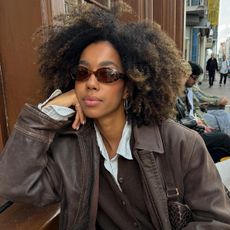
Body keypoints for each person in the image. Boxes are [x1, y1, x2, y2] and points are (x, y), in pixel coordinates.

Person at [0, 4, 230, 230]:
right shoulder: (68, 150)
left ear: (129, 87)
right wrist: (49, 109)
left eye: (106, 74)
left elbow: (217, 222)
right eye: (82, 73)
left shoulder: (181, 144)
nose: (91, 83)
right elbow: (13, 183)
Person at [177, 61, 230, 162]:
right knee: (223, 138)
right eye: (186, 76)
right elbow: (178, 123)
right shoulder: (173, 95)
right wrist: (197, 124)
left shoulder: (185, 90)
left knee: (223, 117)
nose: (195, 81)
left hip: (192, 126)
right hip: (187, 133)